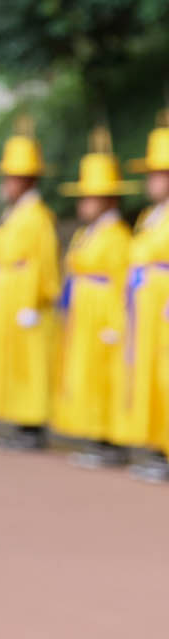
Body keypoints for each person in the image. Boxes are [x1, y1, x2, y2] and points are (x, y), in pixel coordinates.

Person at [0, 123, 60, 449]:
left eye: (12, 178)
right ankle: (19, 421)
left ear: (27, 181)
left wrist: (34, 301)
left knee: (30, 362)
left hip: (25, 300)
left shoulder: (37, 216)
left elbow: (43, 262)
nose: (6, 184)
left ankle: (31, 426)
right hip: (9, 293)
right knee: (15, 359)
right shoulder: (17, 214)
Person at [53, 130, 131, 463]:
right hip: (84, 313)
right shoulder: (88, 233)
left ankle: (110, 442)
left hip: (103, 316)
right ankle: (94, 437)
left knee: (104, 377)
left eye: (91, 197)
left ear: (109, 200)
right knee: (86, 373)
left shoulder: (117, 236)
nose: (84, 203)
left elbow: (122, 283)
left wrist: (116, 323)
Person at [121, 115, 169, 483]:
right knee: (151, 373)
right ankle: (157, 447)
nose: (153, 180)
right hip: (147, 303)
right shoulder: (150, 216)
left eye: (160, 173)